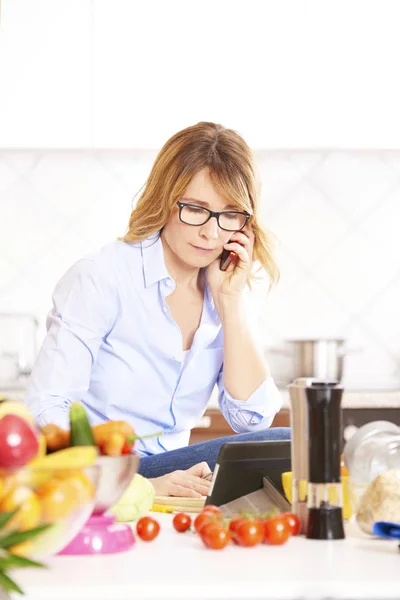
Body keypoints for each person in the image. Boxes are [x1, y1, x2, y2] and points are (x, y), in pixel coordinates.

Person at [25, 122, 290, 498]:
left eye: (230, 214)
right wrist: (138, 484)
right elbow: (45, 406)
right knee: (289, 447)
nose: (211, 234)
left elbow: (253, 418)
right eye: (196, 209)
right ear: (166, 198)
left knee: (290, 449)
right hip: (105, 469)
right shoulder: (103, 277)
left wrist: (231, 304)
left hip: (177, 468)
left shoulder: (224, 288)